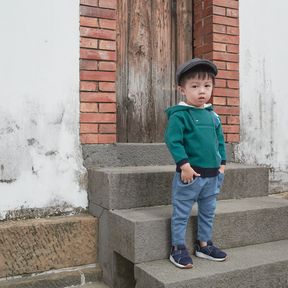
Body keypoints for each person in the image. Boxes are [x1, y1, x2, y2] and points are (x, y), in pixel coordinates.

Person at [164, 58, 227, 269]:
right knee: (182, 212)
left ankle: (204, 245)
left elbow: (220, 141)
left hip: (212, 175)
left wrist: (223, 165)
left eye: (207, 86)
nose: (202, 91)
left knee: (208, 211)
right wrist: (184, 166)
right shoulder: (180, 115)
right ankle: (178, 248)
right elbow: (173, 141)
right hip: (189, 175)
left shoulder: (213, 115)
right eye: (195, 86)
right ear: (182, 89)